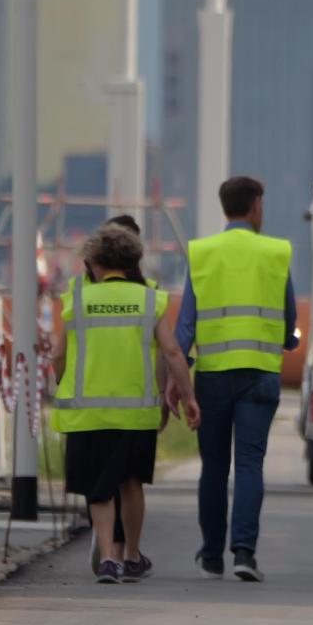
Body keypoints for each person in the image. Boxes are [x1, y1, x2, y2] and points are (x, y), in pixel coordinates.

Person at [55, 225, 199, 582]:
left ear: (93, 263)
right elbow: (172, 351)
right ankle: (132, 554)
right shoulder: (150, 298)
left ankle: (107, 558)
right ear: (134, 260)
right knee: (131, 483)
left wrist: (64, 380)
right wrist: (188, 395)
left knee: (98, 486)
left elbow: (58, 355)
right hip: (136, 412)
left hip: (88, 410)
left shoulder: (76, 300)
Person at [179, 176, 295, 582]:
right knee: (249, 463)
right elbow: (290, 323)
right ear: (255, 207)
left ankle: (211, 555)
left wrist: (176, 382)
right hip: (260, 374)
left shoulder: (203, 253)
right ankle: (244, 552)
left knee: (213, 466)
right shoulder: (276, 252)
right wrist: (286, 341)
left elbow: (185, 326)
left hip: (211, 376)